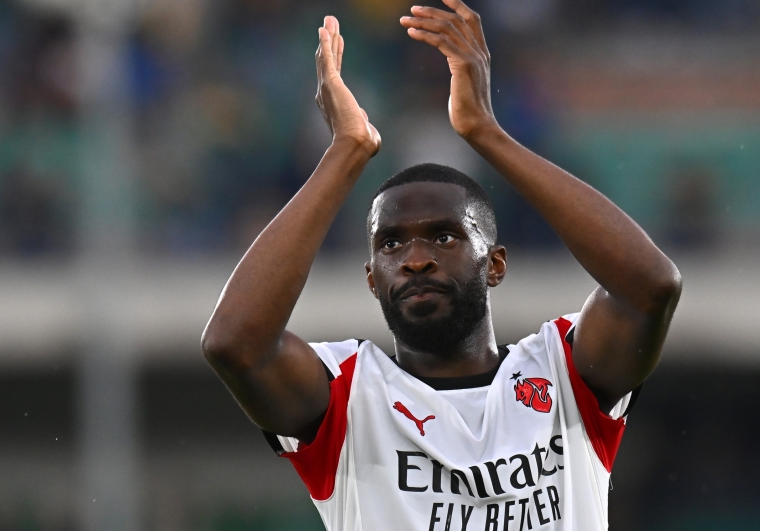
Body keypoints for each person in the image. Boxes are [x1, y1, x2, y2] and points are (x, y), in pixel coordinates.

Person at [201, 1, 681, 529]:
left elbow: (650, 287)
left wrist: (486, 133)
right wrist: (345, 152)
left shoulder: (562, 374)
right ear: (371, 279)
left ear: (495, 264)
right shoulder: (349, 397)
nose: (415, 260)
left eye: (444, 236)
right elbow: (235, 343)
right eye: (390, 246)